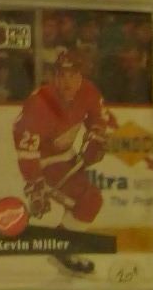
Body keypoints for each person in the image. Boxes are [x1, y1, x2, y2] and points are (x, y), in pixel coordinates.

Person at [12, 49, 115, 275]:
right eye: (62, 75)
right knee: (90, 200)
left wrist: (96, 138)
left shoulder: (88, 91)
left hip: (66, 156)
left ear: (81, 76)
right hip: (42, 162)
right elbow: (26, 150)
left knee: (90, 201)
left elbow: (99, 118)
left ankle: (62, 247)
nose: (67, 81)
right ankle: (62, 248)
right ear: (54, 76)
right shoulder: (39, 103)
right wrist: (35, 184)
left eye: (73, 75)